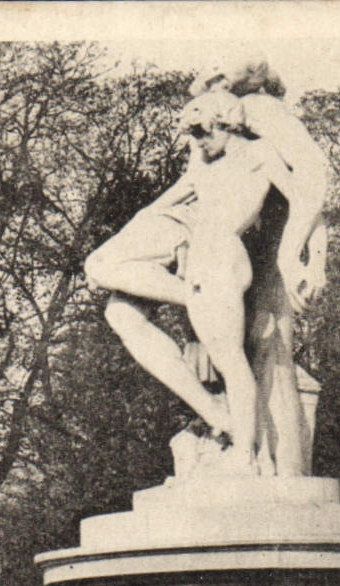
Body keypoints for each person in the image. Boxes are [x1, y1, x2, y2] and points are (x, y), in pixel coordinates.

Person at [85, 88, 319, 475]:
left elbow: (305, 200)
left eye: (201, 132)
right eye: (191, 134)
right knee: (106, 280)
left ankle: (244, 453)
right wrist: (140, 241)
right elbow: (157, 206)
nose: (196, 141)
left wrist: (301, 260)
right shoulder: (202, 160)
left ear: (225, 122)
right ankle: (212, 408)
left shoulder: (258, 155)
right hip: (189, 238)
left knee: (229, 359)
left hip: (220, 252)